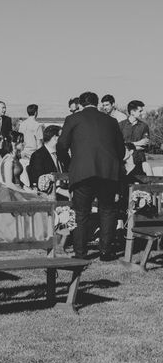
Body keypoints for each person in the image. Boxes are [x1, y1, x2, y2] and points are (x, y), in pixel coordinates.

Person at [57, 91, 125, 261]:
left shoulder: (72, 119)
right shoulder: (111, 121)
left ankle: (80, 253)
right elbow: (121, 151)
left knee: (81, 212)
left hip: (82, 172)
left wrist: (70, 165)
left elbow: (61, 146)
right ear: (98, 104)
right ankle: (105, 252)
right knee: (108, 211)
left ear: (80, 104)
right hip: (108, 173)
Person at [28, 125, 70, 199]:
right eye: (62, 137)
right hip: (49, 194)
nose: (65, 140)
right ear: (55, 138)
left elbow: (71, 171)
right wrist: (60, 190)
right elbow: (39, 181)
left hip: (67, 189)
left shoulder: (63, 154)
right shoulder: (38, 156)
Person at [118, 100, 149, 165]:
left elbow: (144, 146)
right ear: (132, 112)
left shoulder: (144, 126)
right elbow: (118, 145)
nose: (142, 113)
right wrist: (137, 143)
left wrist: (127, 145)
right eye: (140, 111)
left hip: (139, 161)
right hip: (124, 161)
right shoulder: (121, 125)